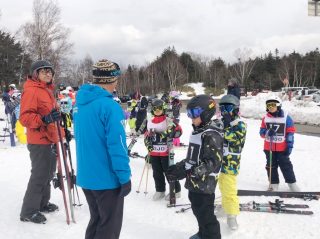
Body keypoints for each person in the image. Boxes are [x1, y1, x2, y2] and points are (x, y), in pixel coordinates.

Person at [73, 59, 131, 239]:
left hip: (87, 177)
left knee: (97, 220)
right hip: (106, 179)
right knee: (109, 228)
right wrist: (124, 176)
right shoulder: (109, 106)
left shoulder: (79, 104)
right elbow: (117, 145)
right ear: (112, 80)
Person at [166, 94, 223, 239]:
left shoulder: (211, 134)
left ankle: (211, 236)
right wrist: (179, 169)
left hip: (205, 185)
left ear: (206, 112)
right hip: (194, 183)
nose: (191, 117)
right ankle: (202, 233)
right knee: (198, 211)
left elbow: (213, 162)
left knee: (206, 216)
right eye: (189, 113)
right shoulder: (197, 132)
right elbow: (192, 157)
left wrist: (193, 171)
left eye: (195, 113)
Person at [19, 60, 61, 224]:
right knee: (39, 175)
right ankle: (28, 211)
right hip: (38, 141)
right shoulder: (32, 91)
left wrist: (62, 133)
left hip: (50, 138)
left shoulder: (48, 91)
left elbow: (54, 118)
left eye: (50, 71)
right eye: (44, 71)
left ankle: (42, 203)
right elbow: (24, 118)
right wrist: (44, 119)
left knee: (48, 173)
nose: (48, 74)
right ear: (36, 74)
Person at [144, 99, 182, 201]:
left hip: (166, 151)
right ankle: (160, 190)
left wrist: (168, 133)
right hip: (154, 152)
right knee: (157, 172)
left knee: (169, 171)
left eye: (159, 108)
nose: (157, 110)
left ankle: (176, 190)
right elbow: (147, 136)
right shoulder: (150, 121)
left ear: (163, 108)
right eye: (155, 108)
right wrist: (148, 144)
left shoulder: (168, 120)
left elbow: (179, 131)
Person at [218, 94, 246, 230]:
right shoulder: (221, 122)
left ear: (235, 109)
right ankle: (225, 208)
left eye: (227, 108)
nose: (224, 112)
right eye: (221, 108)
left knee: (229, 189)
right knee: (222, 186)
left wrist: (226, 127)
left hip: (231, 163)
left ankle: (232, 215)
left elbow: (235, 139)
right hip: (220, 161)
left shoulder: (240, 124)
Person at [259, 95, 299, 192]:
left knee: (286, 165)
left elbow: (290, 132)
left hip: (282, 148)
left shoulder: (286, 118)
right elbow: (261, 133)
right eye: (268, 105)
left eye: (273, 105)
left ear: (278, 105)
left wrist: (289, 146)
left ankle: (292, 183)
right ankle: (273, 184)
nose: (271, 107)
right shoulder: (265, 118)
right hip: (269, 148)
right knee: (271, 166)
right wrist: (267, 133)